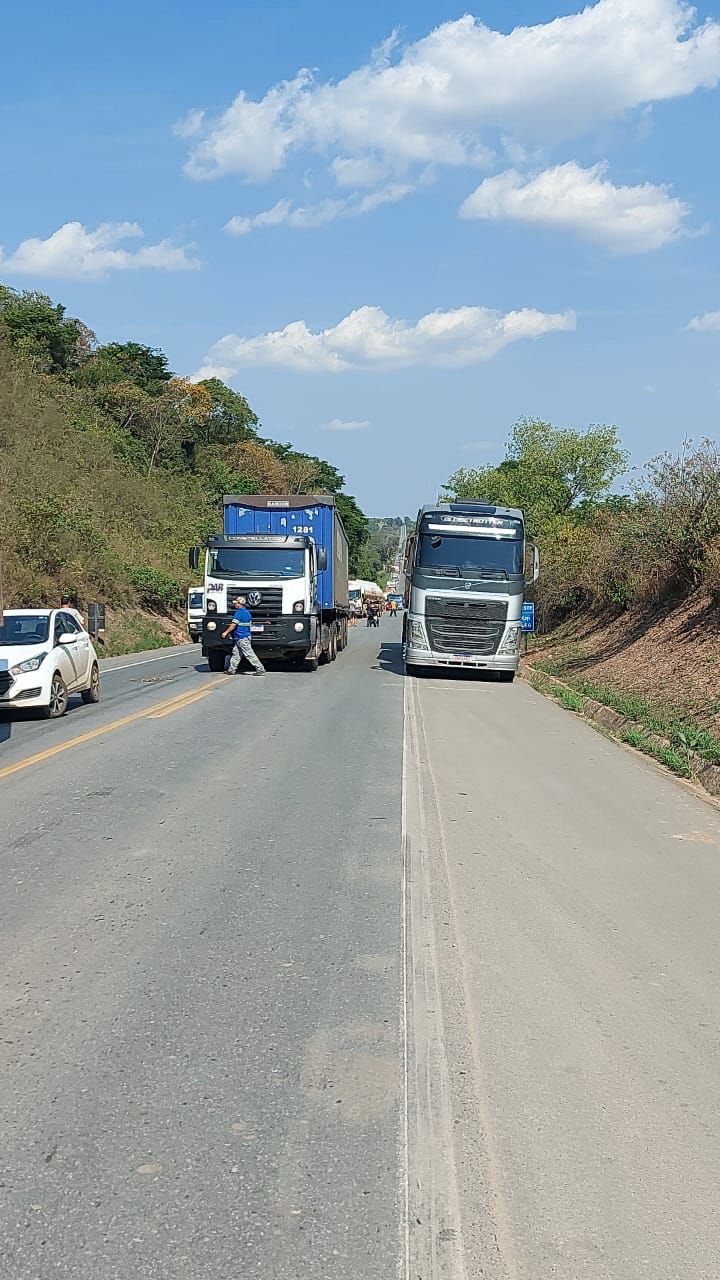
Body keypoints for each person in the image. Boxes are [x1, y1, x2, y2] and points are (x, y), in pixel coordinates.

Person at [222, 595, 266, 675]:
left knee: (249, 654)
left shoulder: (238, 613)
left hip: (242, 637)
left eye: (236, 603)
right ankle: (231, 669)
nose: (235, 605)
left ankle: (260, 669)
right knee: (236, 654)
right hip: (244, 636)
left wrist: (226, 632)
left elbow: (233, 625)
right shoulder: (247, 613)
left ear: (240, 604)